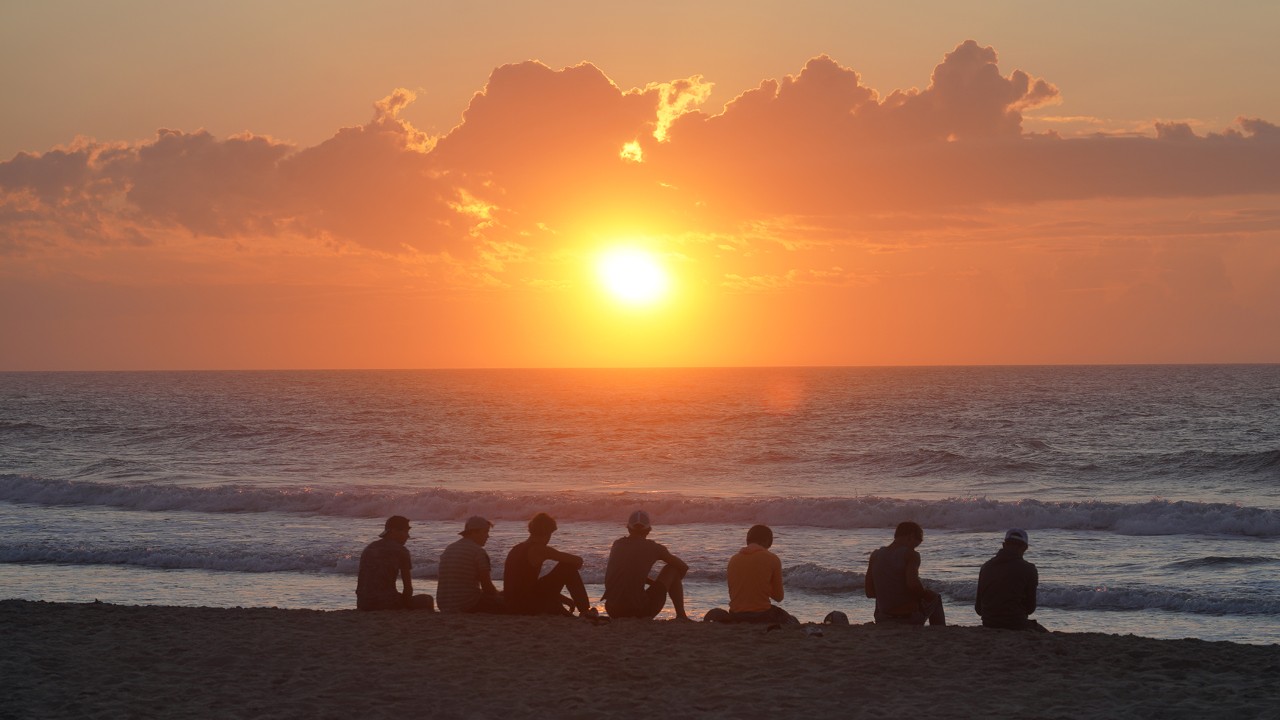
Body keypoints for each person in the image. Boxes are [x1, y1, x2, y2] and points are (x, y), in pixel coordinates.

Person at [503, 512, 596, 618]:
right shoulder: (539, 549)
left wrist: (563, 599)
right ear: (547, 532)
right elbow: (578, 561)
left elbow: (526, 586)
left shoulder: (517, 548)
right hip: (526, 606)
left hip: (511, 605)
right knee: (567, 567)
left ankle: (565, 608)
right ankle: (585, 610)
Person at [603, 510, 689, 620]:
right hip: (639, 611)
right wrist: (668, 585)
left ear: (628, 528)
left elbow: (630, 573)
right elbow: (683, 567)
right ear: (649, 530)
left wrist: (653, 584)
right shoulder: (654, 548)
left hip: (612, 610)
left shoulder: (617, 544)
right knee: (672, 569)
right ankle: (681, 616)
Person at [865, 521, 946, 626]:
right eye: (915, 545)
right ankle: (938, 631)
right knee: (935, 598)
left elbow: (869, 592)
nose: (913, 548)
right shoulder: (911, 555)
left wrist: (890, 593)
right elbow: (913, 584)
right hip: (907, 618)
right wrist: (925, 594)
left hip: (882, 618)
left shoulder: (875, 555)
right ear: (911, 536)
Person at [722, 524, 797, 624]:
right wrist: (764, 585)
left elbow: (734, 592)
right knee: (792, 621)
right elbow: (779, 597)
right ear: (767, 541)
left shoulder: (733, 559)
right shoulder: (772, 559)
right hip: (761, 615)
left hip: (735, 614)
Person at [355, 515, 434, 611]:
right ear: (393, 531)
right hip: (385, 603)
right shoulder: (401, 550)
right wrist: (406, 603)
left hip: (363, 603)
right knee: (427, 599)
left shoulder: (369, 548)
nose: (408, 536)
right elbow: (408, 589)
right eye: (405, 532)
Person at [976, 528, 1047, 632]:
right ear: (1025, 547)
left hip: (989, 622)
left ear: (1004, 545)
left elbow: (978, 609)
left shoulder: (985, 567)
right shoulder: (1029, 569)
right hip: (1016, 623)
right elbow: (1030, 608)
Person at [436, 516, 504, 614]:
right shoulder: (478, 551)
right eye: (485, 532)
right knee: (508, 600)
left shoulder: (450, 548)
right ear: (474, 532)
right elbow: (487, 587)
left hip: (444, 603)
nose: (488, 536)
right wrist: (499, 596)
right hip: (467, 604)